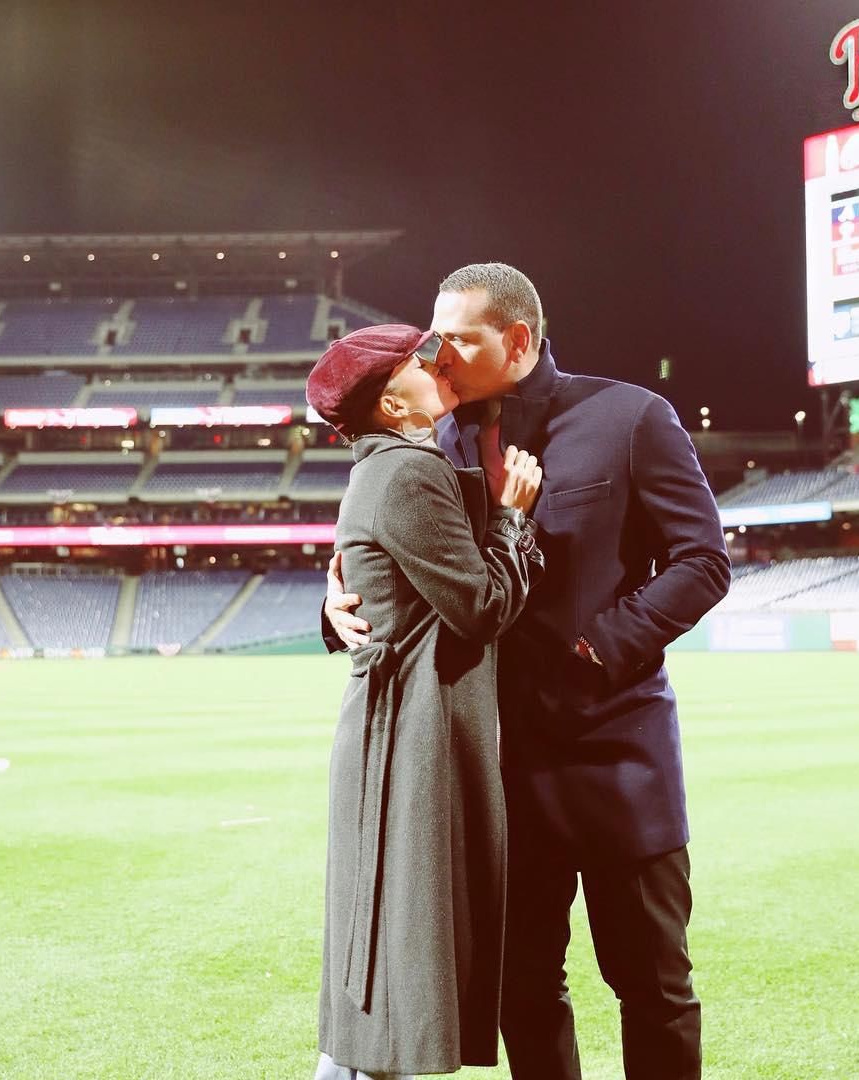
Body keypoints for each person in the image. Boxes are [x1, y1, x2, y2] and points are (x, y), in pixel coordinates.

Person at [325, 264, 731, 1080]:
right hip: (496, 775)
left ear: (517, 340)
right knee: (522, 993)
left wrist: (602, 645)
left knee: (652, 987)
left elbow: (703, 563)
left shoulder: (631, 417)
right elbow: (393, 552)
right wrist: (333, 611)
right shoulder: (430, 438)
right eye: (433, 340)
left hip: (618, 755)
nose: (438, 357)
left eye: (459, 340)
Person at [306, 322, 545, 1080]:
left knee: (382, 981)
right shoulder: (406, 471)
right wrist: (512, 520)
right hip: (405, 745)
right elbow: (478, 607)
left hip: (399, 738)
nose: (432, 359)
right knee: (391, 983)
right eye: (414, 360)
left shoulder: (391, 465)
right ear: (394, 405)